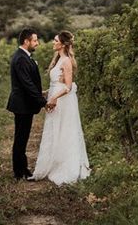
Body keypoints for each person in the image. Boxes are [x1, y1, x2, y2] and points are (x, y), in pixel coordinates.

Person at [30, 30, 91, 184]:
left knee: (64, 131)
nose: (53, 42)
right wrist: (46, 93)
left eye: (56, 40)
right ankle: (54, 162)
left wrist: (55, 98)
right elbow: (57, 83)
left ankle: (65, 165)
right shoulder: (58, 59)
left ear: (63, 44)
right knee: (54, 131)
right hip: (55, 98)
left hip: (63, 102)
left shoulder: (66, 62)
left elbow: (68, 87)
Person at [6, 28, 49, 180]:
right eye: (35, 40)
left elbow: (30, 83)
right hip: (22, 105)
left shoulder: (24, 57)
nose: (37, 43)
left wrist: (41, 93)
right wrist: (42, 102)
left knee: (22, 138)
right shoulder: (21, 58)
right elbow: (27, 84)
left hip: (25, 104)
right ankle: (19, 172)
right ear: (26, 41)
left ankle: (23, 169)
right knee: (20, 138)